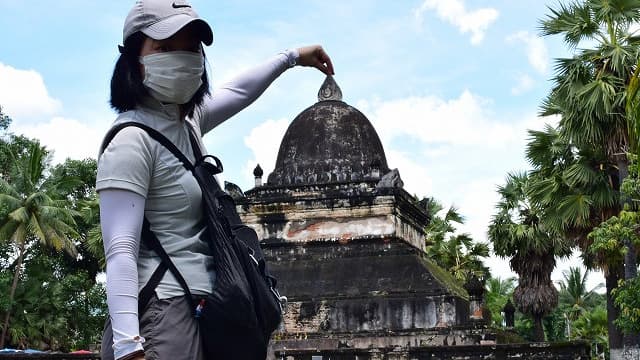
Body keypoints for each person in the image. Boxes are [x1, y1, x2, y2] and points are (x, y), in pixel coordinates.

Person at [96, 1, 334, 359]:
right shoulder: (131, 140)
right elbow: (120, 250)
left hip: (213, 305)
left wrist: (292, 57)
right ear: (133, 58)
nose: (181, 58)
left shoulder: (186, 125)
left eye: (190, 48)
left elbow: (237, 92)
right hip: (164, 313)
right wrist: (128, 345)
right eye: (164, 48)